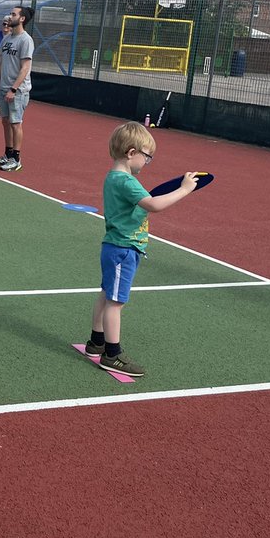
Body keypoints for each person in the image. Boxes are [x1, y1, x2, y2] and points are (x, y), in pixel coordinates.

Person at [83, 121, 198, 378]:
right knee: (116, 302)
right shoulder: (127, 182)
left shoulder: (114, 177)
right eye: (147, 156)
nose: (148, 161)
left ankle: (96, 341)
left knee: (106, 294)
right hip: (124, 248)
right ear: (131, 153)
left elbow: (136, 208)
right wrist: (184, 190)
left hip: (114, 246)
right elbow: (154, 204)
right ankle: (112, 354)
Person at [0, 6, 35, 172]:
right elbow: (1, 62)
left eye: (14, 14)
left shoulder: (25, 40)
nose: (10, 17)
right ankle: (7, 155)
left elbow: (25, 68)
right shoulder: (7, 38)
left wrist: (14, 89)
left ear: (22, 19)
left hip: (18, 91)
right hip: (3, 88)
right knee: (5, 121)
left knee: (16, 123)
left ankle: (16, 158)